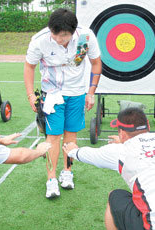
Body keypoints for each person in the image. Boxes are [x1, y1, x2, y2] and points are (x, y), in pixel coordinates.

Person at [24, 8, 102, 199]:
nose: (59, 39)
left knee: (71, 136)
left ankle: (67, 172)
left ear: (73, 31)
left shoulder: (86, 36)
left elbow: (96, 63)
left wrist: (91, 93)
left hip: (76, 93)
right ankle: (51, 179)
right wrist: (30, 95)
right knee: (53, 137)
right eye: (55, 35)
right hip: (51, 94)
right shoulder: (39, 40)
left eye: (64, 36)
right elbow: (29, 66)